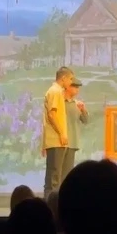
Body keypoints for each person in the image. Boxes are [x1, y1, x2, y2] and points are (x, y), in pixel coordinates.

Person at [42, 66, 74, 197]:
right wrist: (62, 133)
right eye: (70, 79)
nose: (71, 82)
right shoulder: (55, 91)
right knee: (54, 177)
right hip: (56, 140)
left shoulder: (56, 91)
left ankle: (52, 201)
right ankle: (51, 204)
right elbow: (52, 115)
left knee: (55, 176)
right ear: (63, 78)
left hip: (57, 141)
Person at [62, 79, 89, 176]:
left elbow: (85, 120)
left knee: (67, 172)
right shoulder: (59, 102)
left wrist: (83, 110)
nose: (77, 90)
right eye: (75, 87)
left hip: (72, 142)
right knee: (56, 171)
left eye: (78, 87)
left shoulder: (77, 104)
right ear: (68, 87)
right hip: (59, 142)